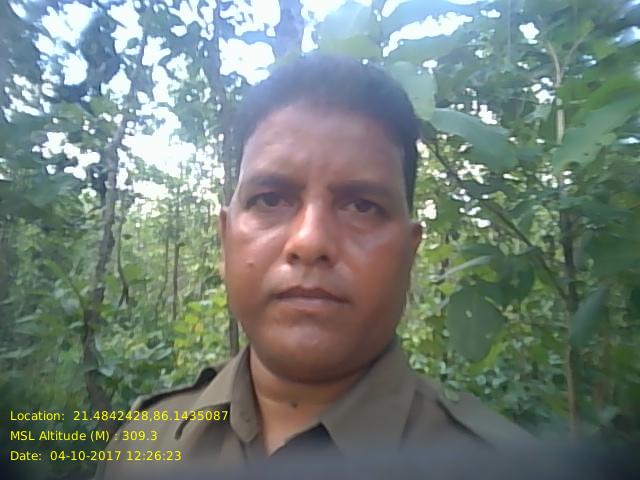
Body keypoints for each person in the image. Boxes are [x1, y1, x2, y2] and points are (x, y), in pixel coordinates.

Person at [95, 54, 533, 479]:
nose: (310, 241)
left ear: (408, 252)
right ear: (226, 240)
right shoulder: (143, 444)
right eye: (270, 199)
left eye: (362, 206)